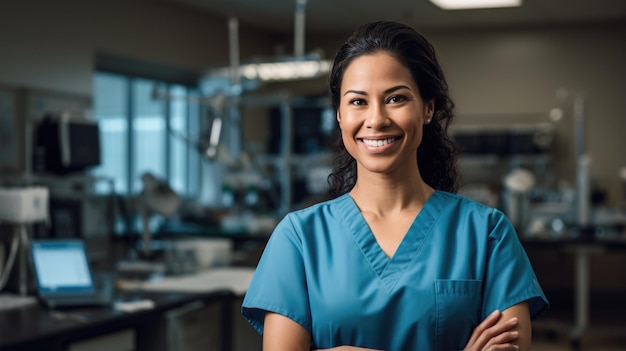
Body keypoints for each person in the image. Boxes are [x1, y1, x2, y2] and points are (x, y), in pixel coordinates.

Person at [242, 20, 548, 350]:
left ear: (428, 108)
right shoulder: (299, 238)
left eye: (396, 99)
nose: (376, 119)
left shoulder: (487, 233)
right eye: (358, 102)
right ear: (340, 116)